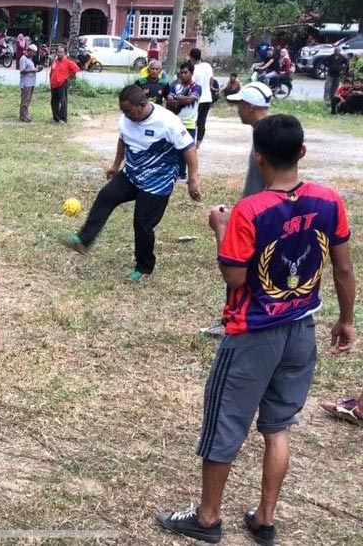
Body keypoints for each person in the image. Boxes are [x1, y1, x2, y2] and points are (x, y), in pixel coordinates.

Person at [158, 114, 356, 546]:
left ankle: (207, 519)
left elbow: (234, 278)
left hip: (253, 334)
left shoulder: (251, 210)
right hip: (302, 329)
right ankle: (264, 517)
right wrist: (346, 319)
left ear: (258, 156)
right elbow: (342, 268)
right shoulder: (330, 201)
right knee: (278, 426)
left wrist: (221, 228)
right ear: (302, 153)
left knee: (226, 423)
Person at [63, 85, 201, 282]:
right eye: (123, 111)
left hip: (158, 181)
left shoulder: (167, 122)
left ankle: (144, 268)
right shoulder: (126, 119)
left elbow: (189, 149)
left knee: (142, 223)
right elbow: (123, 139)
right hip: (132, 173)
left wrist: (193, 179)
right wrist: (115, 165)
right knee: (107, 196)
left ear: (142, 105)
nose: (125, 115)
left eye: (128, 110)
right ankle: (84, 240)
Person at [201, 81, 273, 338]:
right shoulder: (265, 131)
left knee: (238, 266)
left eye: (240, 105)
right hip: (256, 210)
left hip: (259, 215)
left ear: (250, 106)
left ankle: (233, 321)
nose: (238, 110)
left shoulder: (266, 135)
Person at [167, 61, 201, 178]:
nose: (182, 75)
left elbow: (190, 100)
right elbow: (169, 100)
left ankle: (185, 174)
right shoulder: (175, 85)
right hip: (176, 122)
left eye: (185, 72)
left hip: (190, 123)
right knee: (174, 149)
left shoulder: (197, 87)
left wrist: (178, 98)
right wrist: (181, 98)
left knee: (188, 150)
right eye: (181, 72)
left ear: (191, 73)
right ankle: (175, 172)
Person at [189, 48, 214, 149]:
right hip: (207, 97)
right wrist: (209, 88)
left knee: (193, 120)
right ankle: (198, 142)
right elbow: (211, 79)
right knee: (202, 121)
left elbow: (191, 84)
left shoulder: (193, 69)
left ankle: (191, 141)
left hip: (198, 99)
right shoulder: (207, 66)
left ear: (191, 57)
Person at [49, 46, 80, 124]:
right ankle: (56, 118)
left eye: (61, 52)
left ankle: (63, 118)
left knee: (63, 101)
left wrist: (68, 78)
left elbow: (76, 69)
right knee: (54, 102)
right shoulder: (55, 61)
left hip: (62, 84)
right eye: (58, 52)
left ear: (64, 53)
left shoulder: (68, 62)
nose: (59, 54)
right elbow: (52, 71)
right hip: (53, 84)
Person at [19, 44, 42, 122]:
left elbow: (31, 69)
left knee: (28, 100)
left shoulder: (30, 59)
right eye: (33, 52)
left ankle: (25, 115)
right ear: (29, 51)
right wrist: (34, 70)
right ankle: (23, 116)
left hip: (31, 83)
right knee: (25, 100)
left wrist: (37, 70)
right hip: (26, 83)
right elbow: (22, 71)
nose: (34, 54)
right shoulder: (23, 59)